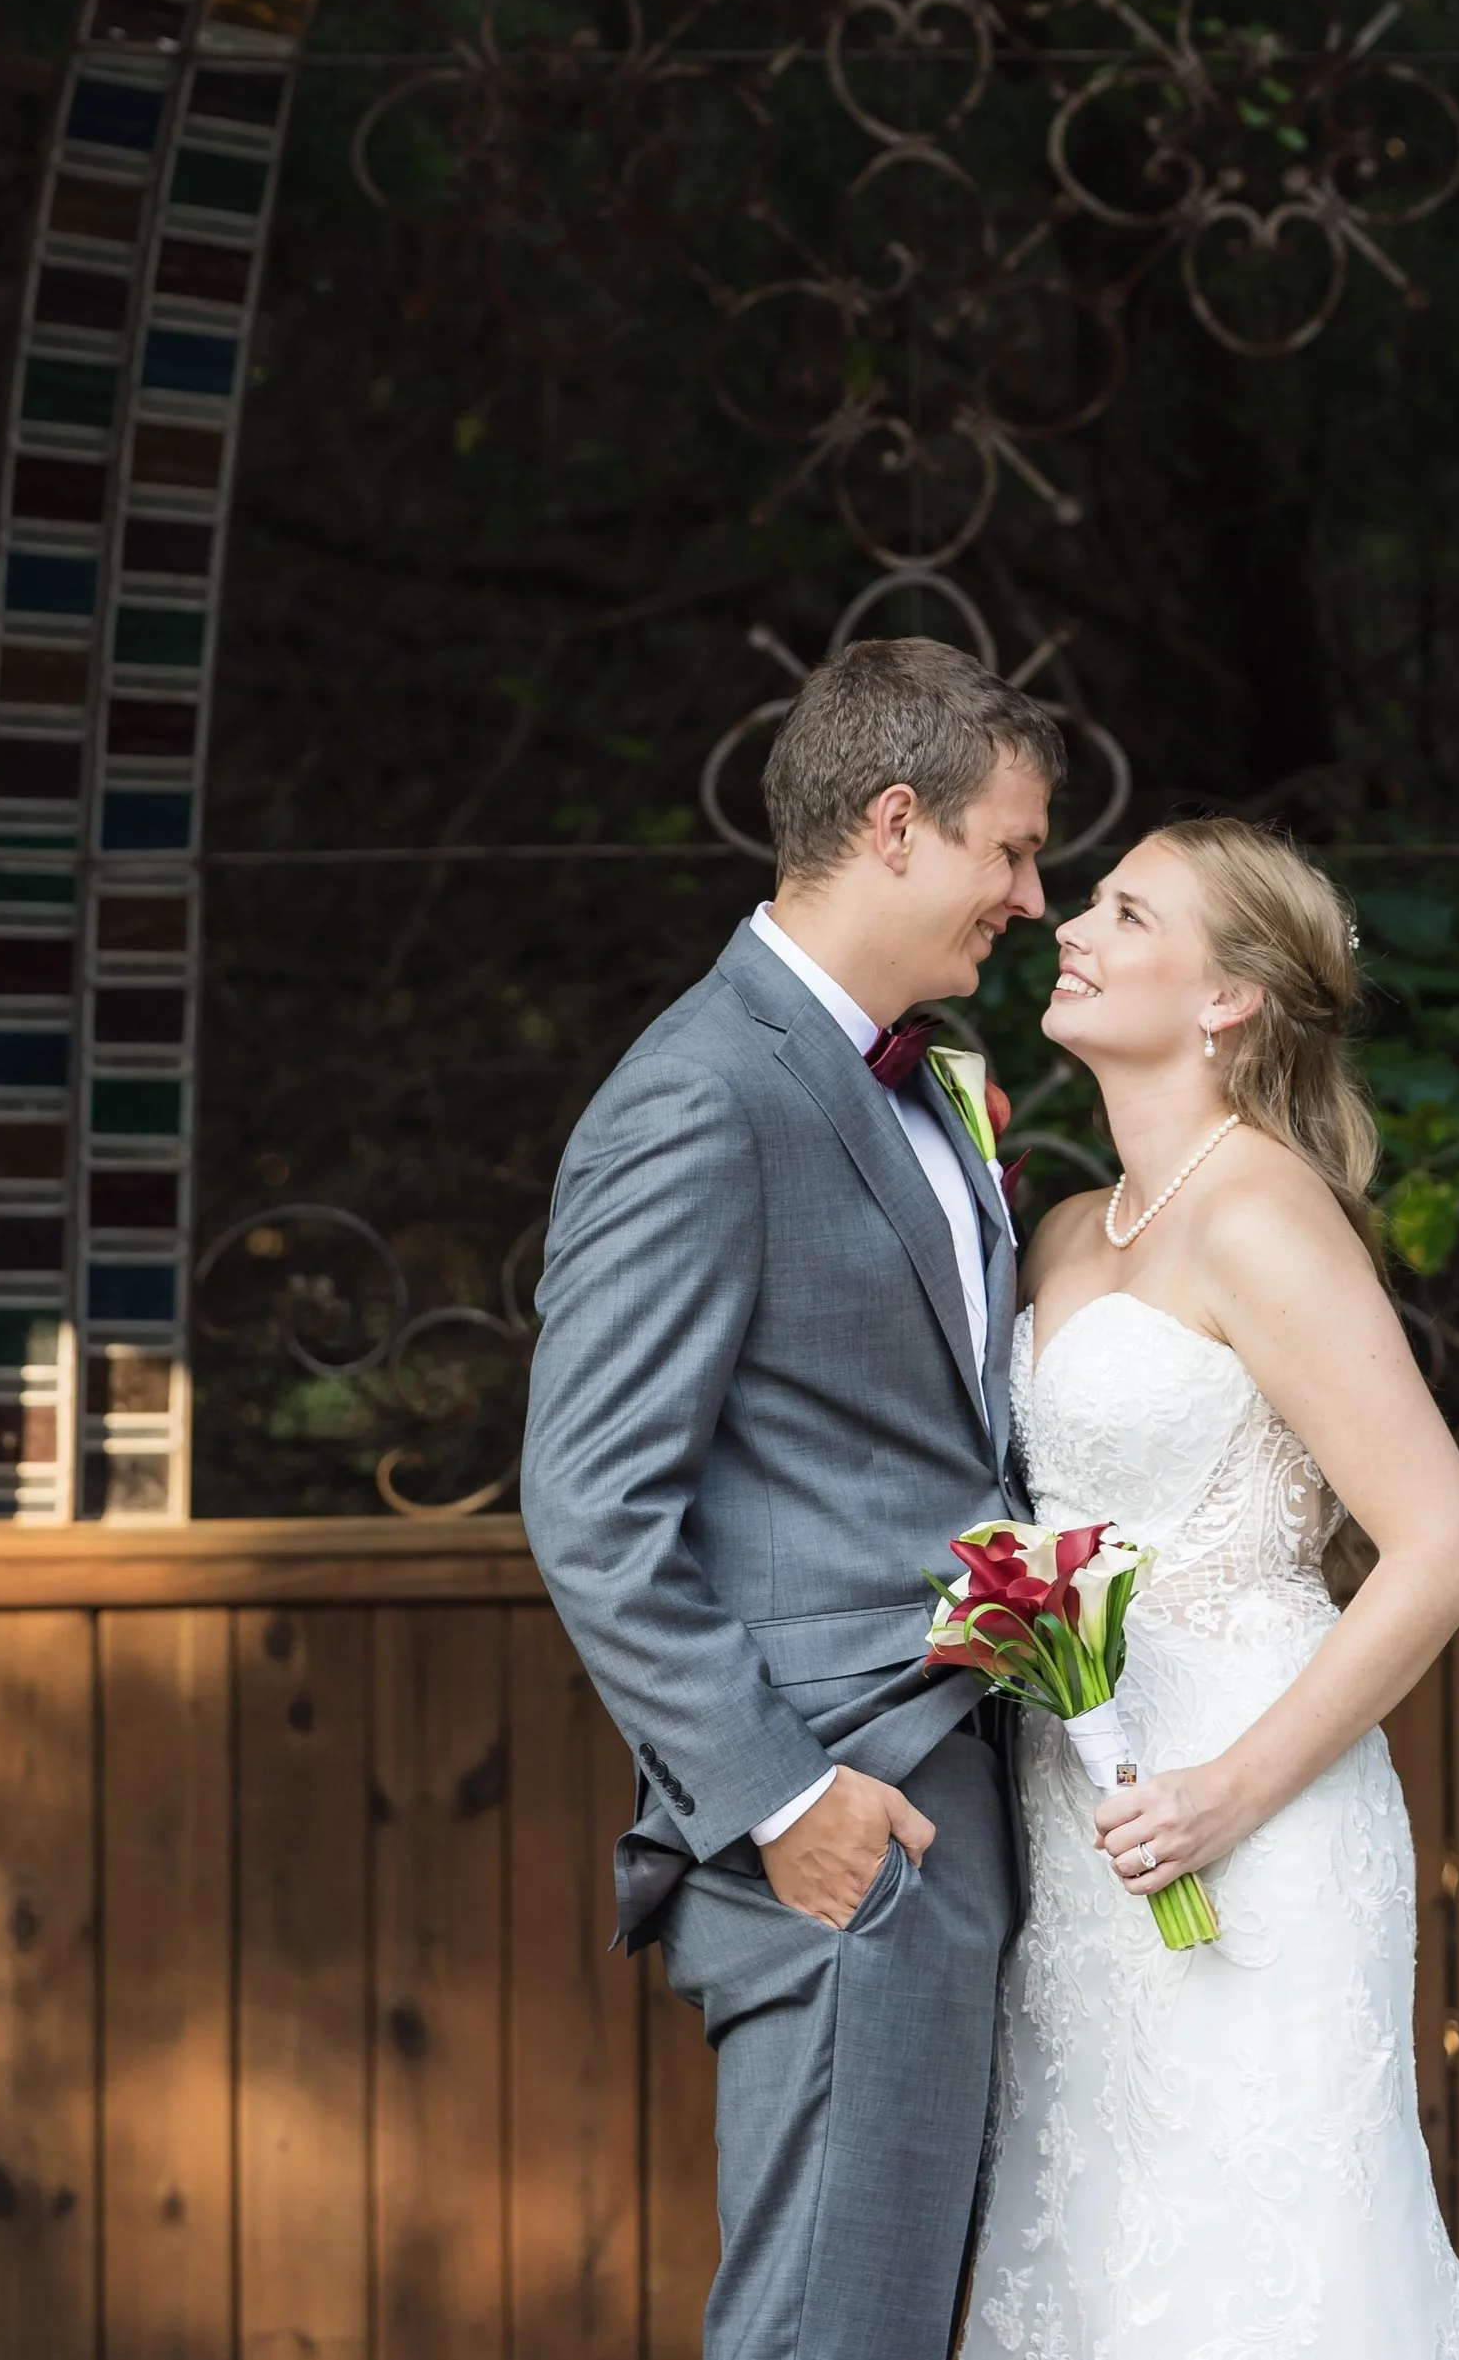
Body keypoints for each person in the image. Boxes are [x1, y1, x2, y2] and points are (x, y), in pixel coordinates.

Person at [522, 634, 1061, 2360]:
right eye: (1012, 848)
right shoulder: (700, 1092)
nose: (1034, 898)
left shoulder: (910, 1082)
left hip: (957, 1799)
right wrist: (780, 1800)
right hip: (845, 1832)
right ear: (895, 825)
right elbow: (592, 1500)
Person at [966, 817, 1459, 2360]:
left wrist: (1225, 1795)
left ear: (1228, 1001)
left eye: (1127, 913)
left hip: (1249, 1819)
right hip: (1080, 1817)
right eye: (1088, 900)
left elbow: (1446, 1547)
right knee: (1099, 2243)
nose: (1071, 925)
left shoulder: (1265, 1213)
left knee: (1260, 2272)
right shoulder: (1071, 1228)